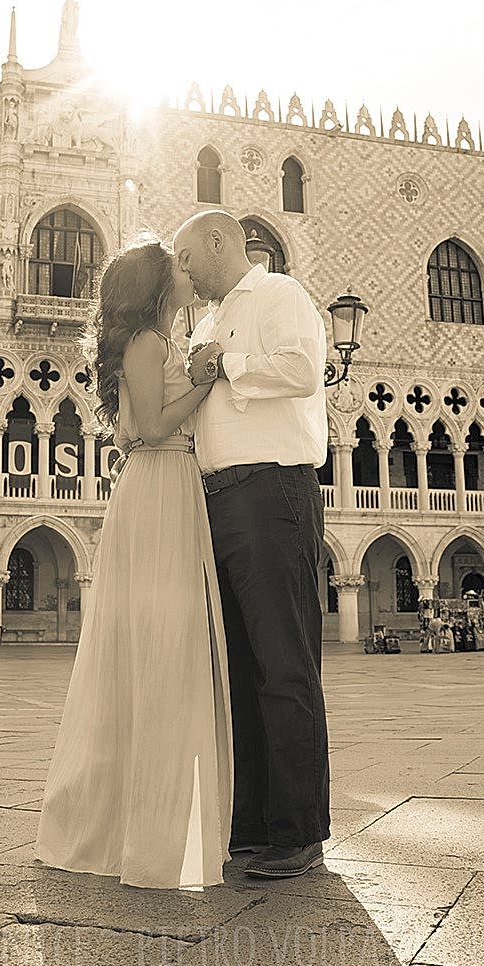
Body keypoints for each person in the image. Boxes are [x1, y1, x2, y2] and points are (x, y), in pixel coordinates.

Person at [36, 235, 230, 889]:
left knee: (157, 653)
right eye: (177, 266)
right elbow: (149, 427)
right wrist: (204, 384)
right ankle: (147, 842)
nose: (188, 270)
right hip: (157, 486)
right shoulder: (150, 343)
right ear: (155, 287)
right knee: (161, 651)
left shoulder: (160, 341)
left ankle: (147, 826)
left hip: (165, 487)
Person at [182, 209, 331, 880]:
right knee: (239, 668)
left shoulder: (280, 296)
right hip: (220, 500)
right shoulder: (206, 322)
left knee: (284, 665)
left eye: (188, 257)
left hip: (273, 494)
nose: (183, 271)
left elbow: (303, 369)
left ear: (218, 243)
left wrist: (226, 362)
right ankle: (255, 822)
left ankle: (299, 831)